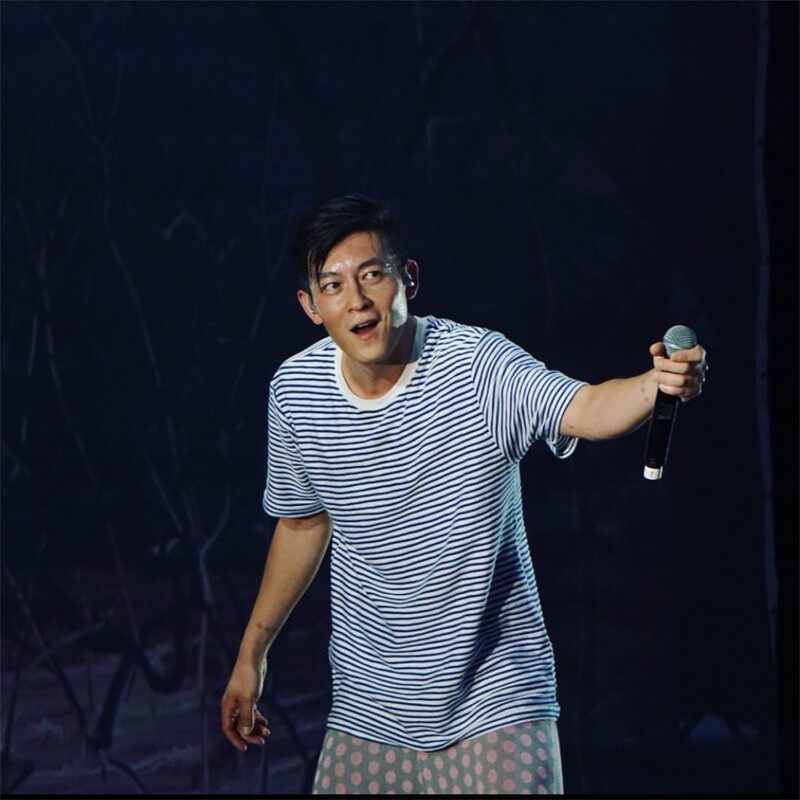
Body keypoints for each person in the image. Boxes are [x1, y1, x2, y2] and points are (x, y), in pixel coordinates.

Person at [220, 194, 708, 795]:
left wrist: (655, 385)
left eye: (372, 274)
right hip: (369, 705)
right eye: (333, 285)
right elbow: (302, 523)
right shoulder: (297, 390)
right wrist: (252, 655)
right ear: (311, 306)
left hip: (498, 698)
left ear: (408, 278)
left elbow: (584, 407)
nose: (357, 300)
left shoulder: (478, 367)